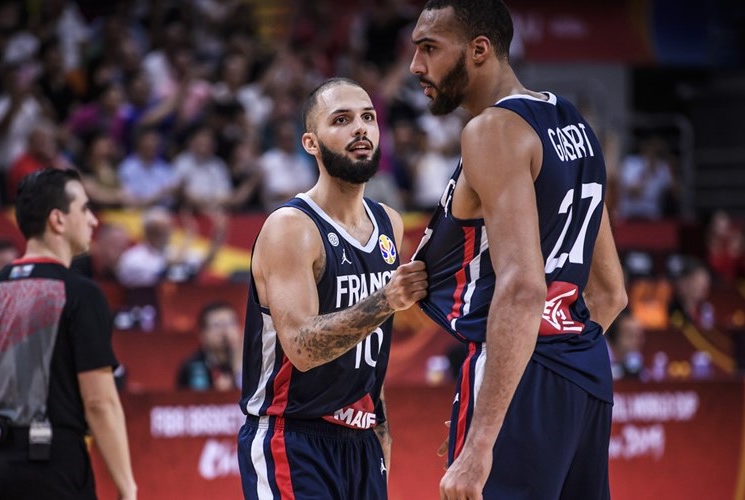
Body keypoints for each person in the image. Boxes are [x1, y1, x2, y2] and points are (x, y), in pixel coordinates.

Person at [409, 1, 627, 498]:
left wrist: (484, 434)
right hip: (585, 369)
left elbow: (524, 287)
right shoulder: (574, 123)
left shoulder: (492, 131)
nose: (416, 66)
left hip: (523, 367)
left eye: (429, 49)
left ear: (479, 50)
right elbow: (610, 293)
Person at [237, 78, 427, 499]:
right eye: (341, 120)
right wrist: (385, 300)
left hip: (361, 441)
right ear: (311, 142)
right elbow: (302, 349)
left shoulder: (389, 224)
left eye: (368, 118)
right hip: (293, 437)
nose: (360, 128)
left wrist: (382, 434)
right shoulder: (291, 227)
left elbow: (374, 348)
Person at [0, 168, 137, 500]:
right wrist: (127, 488)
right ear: (58, 220)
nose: (93, 221)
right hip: (52, 466)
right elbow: (100, 402)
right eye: (85, 209)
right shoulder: (81, 293)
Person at [176, 301, 243, 391]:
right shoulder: (192, 366)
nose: (225, 331)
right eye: (217, 325)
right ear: (202, 334)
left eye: (230, 323)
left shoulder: (252, 361)